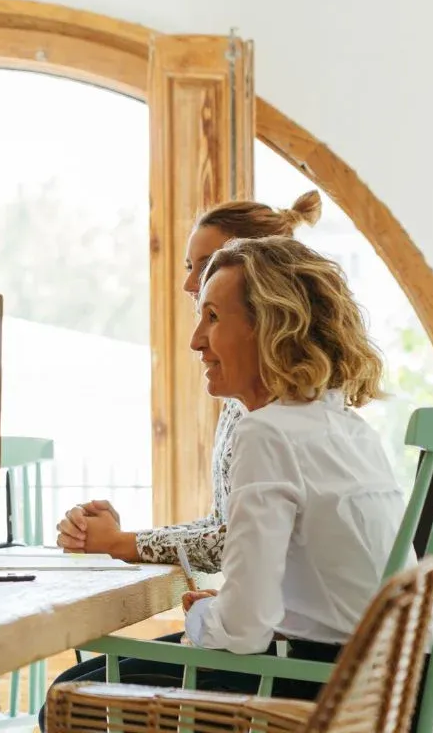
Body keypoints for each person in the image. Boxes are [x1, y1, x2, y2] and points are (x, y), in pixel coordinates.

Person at [49, 235, 404, 703]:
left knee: (74, 691)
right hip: (392, 685)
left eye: (212, 318)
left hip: (327, 692)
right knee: (96, 672)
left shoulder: (267, 432)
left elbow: (243, 634)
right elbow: (324, 587)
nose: (197, 341)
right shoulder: (351, 429)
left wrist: (206, 619)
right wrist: (232, 611)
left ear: (271, 327)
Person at [56, 192, 323, 572]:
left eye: (208, 265)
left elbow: (231, 542)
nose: (188, 284)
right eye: (190, 266)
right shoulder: (244, 401)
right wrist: (122, 539)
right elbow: (223, 529)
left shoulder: (280, 414)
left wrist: (122, 543)